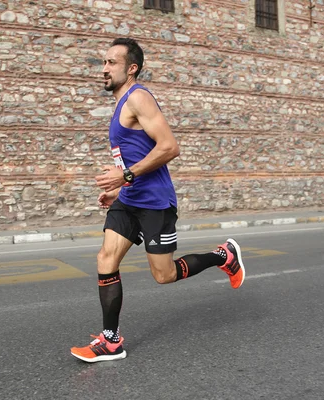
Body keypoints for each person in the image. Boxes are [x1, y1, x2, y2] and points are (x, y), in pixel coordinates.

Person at [70, 38, 246, 363]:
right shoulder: (121, 104)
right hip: (130, 198)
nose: (104, 69)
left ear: (131, 68)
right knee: (105, 259)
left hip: (154, 203)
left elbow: (169, 147)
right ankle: (110, 341)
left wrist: (124, 177)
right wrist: (118, 189)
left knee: (163, 275)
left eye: (111, 63)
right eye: (103, 62)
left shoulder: (138, 98)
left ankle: (222, 256)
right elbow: (134, 157)